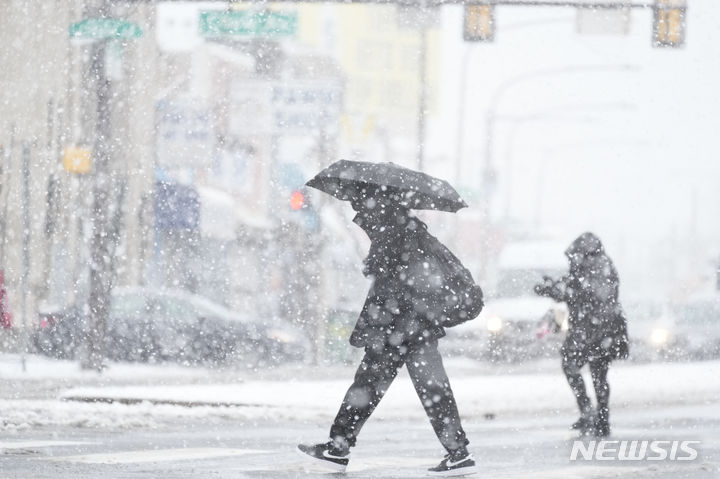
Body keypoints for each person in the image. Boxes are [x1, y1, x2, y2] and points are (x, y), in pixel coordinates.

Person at [298, 188, 482, 476]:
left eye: (363, 209)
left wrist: (375, 265)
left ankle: (338, 447)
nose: (361, 215)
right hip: (411, 327)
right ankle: (457, 453)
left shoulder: (395, 234)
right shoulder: (408, 232)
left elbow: (398, 282)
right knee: (427, 389)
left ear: (380, 208)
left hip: (398, 328)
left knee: (370, 387)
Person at [534, 232, 629, 437]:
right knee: (596, 373)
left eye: (575, 256)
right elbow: (574, 287)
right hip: (597, 329)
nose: (572, 260)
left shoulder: (598, 266)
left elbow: (591, 294)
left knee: (582, 368)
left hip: (595, 329)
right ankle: (597, 415)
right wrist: (553, 288)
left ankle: (593, 414)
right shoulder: (593, 266)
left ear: (584, 253)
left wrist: (559, 292)